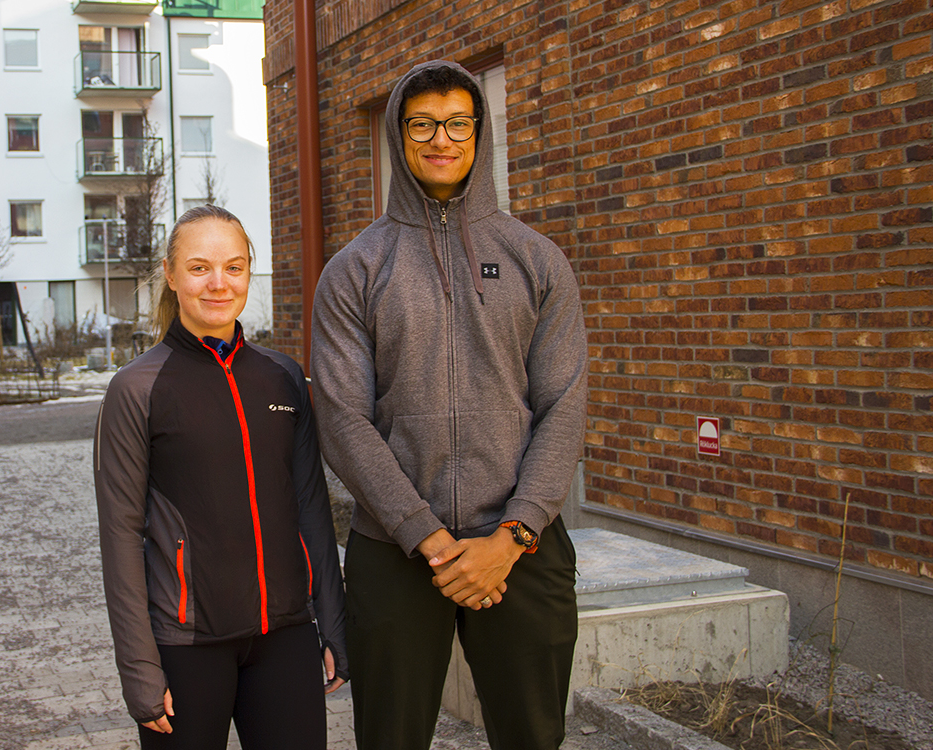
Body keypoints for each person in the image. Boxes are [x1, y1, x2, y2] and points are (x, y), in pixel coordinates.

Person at [310, 61, 588, 750]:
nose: (442, 138)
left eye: (458, 122)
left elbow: (565, 405)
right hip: (396, 550)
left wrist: (513, 536)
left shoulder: (537, 260)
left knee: (533, 737)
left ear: (479, 131)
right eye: (424, 123)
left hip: (520, 548)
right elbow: (343, 418)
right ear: (400, 137)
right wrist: (430, 540)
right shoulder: (355, 269)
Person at [96, 205, 347, 750]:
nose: (218, 284)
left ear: (249, 273)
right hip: (186, 643)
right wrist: (139, 666)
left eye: (234, 268)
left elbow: (310, 506)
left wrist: (333, 620)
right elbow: (119, 536)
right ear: (170, 274)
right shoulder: (137, 389)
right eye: (199, 267)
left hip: (284, 635)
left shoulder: (282, 377)